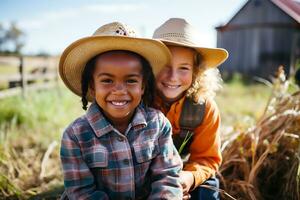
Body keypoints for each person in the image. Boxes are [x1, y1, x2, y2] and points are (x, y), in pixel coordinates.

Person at [59, 22, 183, 200]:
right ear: (92, 87)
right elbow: (81, 193)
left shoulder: (158, 124)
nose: (119, 90)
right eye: (107, 81)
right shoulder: (75, 136)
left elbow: (167, 177)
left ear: (143, 86)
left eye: (131, 80)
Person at [152, 18, 229, 200]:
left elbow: (207, 158)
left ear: (197, 71)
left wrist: (189, 178)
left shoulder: (204, 108)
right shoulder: (139, 100)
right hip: (142, 172)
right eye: (165, 66)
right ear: (150, 66)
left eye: (184, 68)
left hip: (181, 172)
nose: (173, 77)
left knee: (209, 187)